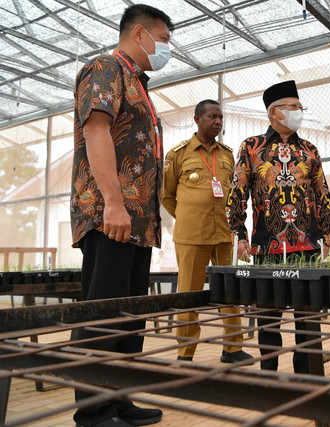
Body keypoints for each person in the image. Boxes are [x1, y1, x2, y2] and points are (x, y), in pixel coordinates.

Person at [69, 4, 172, 426]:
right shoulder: (106, 67)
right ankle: (93, 412)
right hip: (109, 215)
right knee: (102, 314)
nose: (167, 48)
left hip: (137, 223)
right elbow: (95, 131)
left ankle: (120, 400)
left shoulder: (138, 84)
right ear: (140, 34)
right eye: (164, 40)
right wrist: (113, 201)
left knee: (129, 315)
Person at [226, 80, 330, 374]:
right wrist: (240, 235)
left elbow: (322, 194)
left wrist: (326, 234)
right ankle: (269, 379)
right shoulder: (252, 147)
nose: (299, 112)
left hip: (307, 246)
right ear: (275, 112)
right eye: (294, 107)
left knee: (308, 318)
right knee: (269, 318)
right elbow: (238, 193)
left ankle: (309, 378)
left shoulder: (310, 150)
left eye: (300, 107)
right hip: (266, 244)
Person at [162, 99, 252, 364]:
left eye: (221, 118)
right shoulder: (177, 154)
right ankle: (185, 352)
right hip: (191, 236)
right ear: (197, 119)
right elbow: (166, 195)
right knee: (188, 294)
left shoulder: (226, 154)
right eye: (212, 117)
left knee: (230, 291)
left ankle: (233, 348)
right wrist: (189, 217)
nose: (218, 122)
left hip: (224, 234)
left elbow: (234, 192)